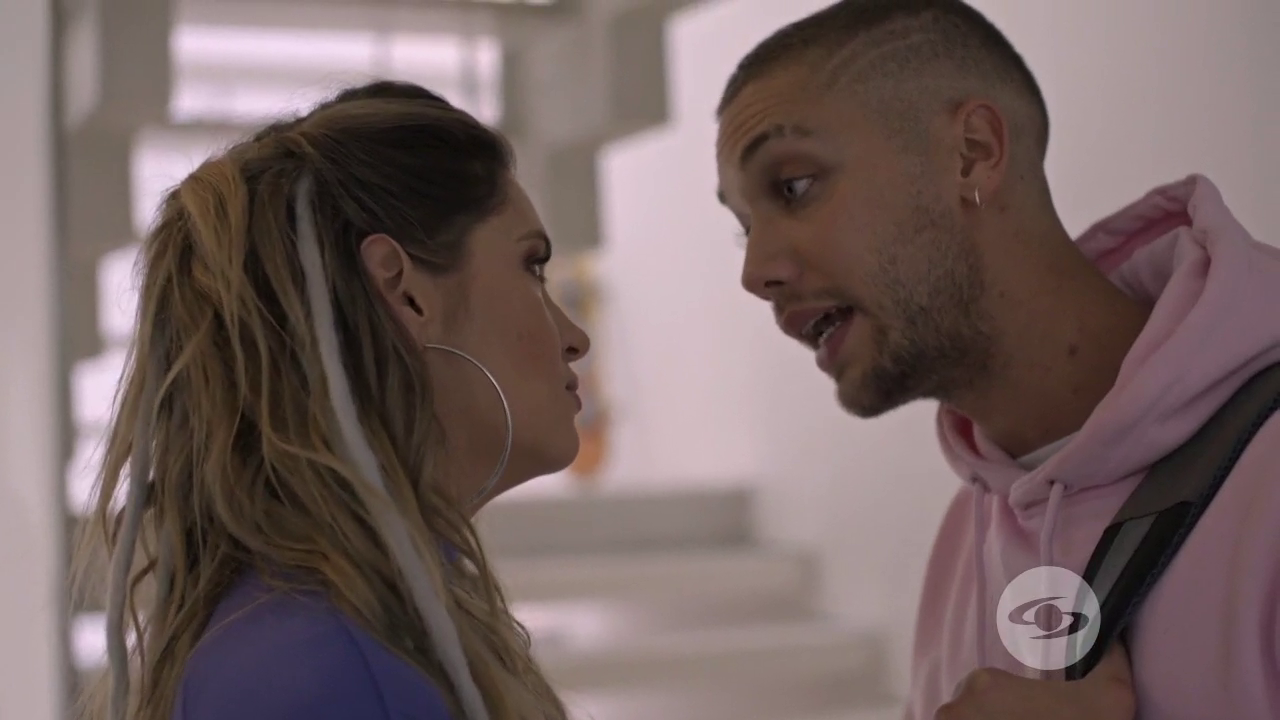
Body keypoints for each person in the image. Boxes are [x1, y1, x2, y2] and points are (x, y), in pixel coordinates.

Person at [713, 1, 1280, 719]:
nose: (756, 272)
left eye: (794, 187)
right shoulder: (968, 535)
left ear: (973, 152)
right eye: (745, 229)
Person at [71, 80, 591, 720]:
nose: (575, 338)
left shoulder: (311, 637)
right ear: (405, 293)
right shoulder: (339, 667)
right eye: (532, 266)